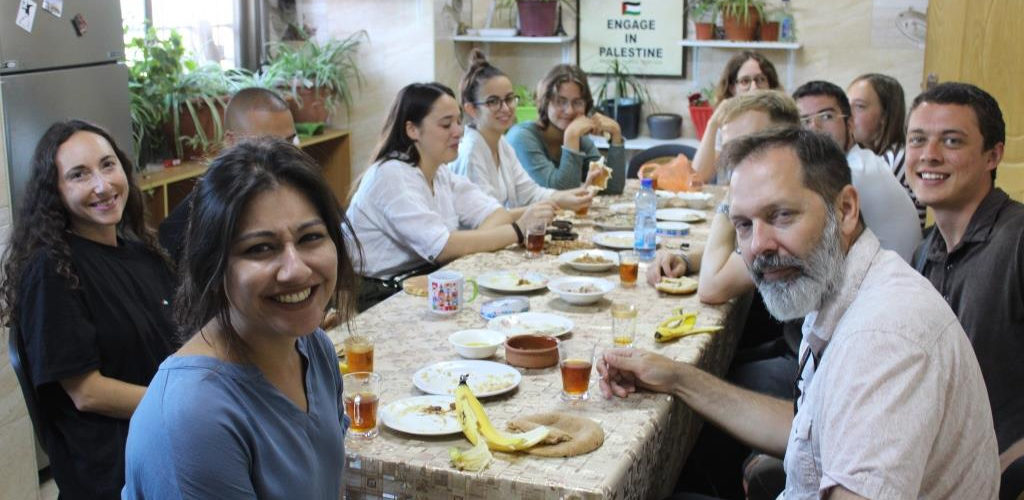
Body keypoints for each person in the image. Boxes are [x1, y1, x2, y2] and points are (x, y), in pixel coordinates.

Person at [601, 127, 1000, 498]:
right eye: (743, 224)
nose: (757, 245)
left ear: (845, 209)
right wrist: (676, 377)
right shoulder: (840, 284)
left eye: (781, 216)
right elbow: (806, 434)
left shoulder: (883, 339)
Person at [123, 137, 356, 498]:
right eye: (260, 248)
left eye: (310, 237)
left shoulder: (314, 349)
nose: (295, 269)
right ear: (213, 267)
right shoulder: (193, 415)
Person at [0, 120, 176, 499]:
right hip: (116, 465)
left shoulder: (142, 253)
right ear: (56, 192)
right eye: (79, 175)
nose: (102, 185)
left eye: (108, 165)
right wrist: (183, 403)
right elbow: (87, 392)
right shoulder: (50, 270)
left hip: (166, 434)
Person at [905, 82, 1024, 497]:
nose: (929, 155)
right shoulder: (924, 252)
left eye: (952, 141)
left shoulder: (1018, 240)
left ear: (994, 155)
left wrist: (1005, 469)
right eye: (918, 140)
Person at [346, 82, 554, 311]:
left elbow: (494, 213)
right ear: (412, 130)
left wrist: (467, 244)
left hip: (427, 281)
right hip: (378, 296)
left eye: (458, 121)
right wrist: (517, 230)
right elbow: (443, 248)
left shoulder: (440, 171)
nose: (459, 131)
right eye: (446, 125)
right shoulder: (391, 175)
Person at [158, 87, 298, 263]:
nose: (286, 156)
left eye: (290, 142)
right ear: (231, 141)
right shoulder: (192, 220)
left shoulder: (297, 190)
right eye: (269, 145)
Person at [452, 50, 596, 211]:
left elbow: (531, 194)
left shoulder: (501, 144)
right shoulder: (471, 153)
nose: (505, 108)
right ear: (471, 109)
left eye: (509, 99)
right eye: (493, 102)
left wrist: (575, 195)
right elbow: (487, 218)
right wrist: (544, 207)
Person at [793, 80, 921, 261]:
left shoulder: (854, 173)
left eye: (826, 116)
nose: (814, 127)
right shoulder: (861, 160)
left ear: (850, 123)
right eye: (804, 121)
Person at [506, 64, 626, 193]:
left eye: (577, 102)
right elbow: (560, 193)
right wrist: (571, 137)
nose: (569, 111)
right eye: (560, 101)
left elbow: (611, 187)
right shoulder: (522, 137)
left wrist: (616, 136)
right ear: (545, 102)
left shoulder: (580, 140)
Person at [847, 73, 926, 227]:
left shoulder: (895, 159)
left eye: (859, 106)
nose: (848, 115)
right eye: (846, 105)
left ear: (885, 115)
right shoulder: (871, 157)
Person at [692, 51, 783, 183]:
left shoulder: (782, 121)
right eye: (745, 81)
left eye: (760, 79)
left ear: (770, 85)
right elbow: (699, 177)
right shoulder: (726, 125)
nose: (754, 88)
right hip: (729, 201)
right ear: (732, 88)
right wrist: (713, 124)